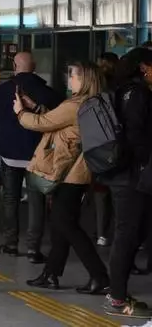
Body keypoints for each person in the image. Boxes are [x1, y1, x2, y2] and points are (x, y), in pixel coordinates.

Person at [21, 61, 110, 295]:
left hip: (70, 173)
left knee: (66, 224)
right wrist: (36, 107)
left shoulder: (75, 105)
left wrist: (20, 112)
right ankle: (51, 273)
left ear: (84, 79)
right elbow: (59, 123)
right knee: (61, 224)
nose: (69, 80)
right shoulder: (95, 102)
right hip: (81, 171)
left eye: (73, 76)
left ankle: (100, 276)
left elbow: (42, 124)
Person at [0, 50, 62, 262]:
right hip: (38, 155)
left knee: (10, 199)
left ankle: (11, 244)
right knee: (37, 201)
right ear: (34, 67)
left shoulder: (0, 92)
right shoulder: (49, 93)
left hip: (8, 154)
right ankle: (32, 249)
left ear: (14, 67)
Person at [98, 48, 152, 318]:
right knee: (126, 234)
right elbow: (137, 136)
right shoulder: (138, 93)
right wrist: (145, 160)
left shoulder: (119, 91)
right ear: (144, 67)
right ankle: (117, 299)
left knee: (132, 232)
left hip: (122, 172)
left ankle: (118, 294)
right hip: (132, 174)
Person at [95, 52, 121, 248]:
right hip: (118, 145)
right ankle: (118, 232)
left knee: (101, 193)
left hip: (100, 146)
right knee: (119, 194)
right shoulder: (124, 89)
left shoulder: (97, 92)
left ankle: (102, 232)